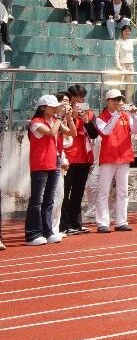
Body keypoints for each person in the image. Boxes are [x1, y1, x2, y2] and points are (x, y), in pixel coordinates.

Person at [95, 89, 137, 232]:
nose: (117, 102)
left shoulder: (126, 116)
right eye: (114, 100)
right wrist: (115, 115)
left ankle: (121, 221)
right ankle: (102, 222)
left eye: (119, 100)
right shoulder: (101, 118)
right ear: (107, 101)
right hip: (108, 157)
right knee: (104, 191)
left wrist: (135, 116)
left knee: (123, 191)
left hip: (124, 157)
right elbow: (106, 131)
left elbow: (136, 130)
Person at [26, 94, 67, 245]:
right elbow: (51, 133)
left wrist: (68, 117)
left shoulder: (53, 120)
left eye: (56, 106)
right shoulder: (36, 122)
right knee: (37, 200)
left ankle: (47, 230)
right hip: (40, 164)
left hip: (54, 162)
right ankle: (32, 234)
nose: (55, 109)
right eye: (52, 107)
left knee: (49, 200)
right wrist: (59, 117)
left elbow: (70, 132)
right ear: (43, 107)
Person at [59, 84, 97, 235]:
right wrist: (72, 117)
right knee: (65, 193)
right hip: (68, 157)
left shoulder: (89, 112)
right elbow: (61, 131)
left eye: (82, 97)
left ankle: (76, 222)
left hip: (84, 157)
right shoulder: (62, 112)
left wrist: (86, 121)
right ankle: (64, 224)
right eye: (76, 97)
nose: (79, 100)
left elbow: (94, 134)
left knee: (78, 192)